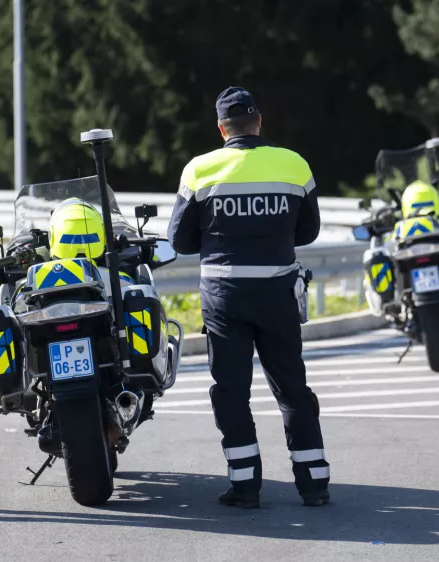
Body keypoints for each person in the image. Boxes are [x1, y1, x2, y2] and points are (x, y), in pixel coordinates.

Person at [167, 86, 330, 508]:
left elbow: (180, 241)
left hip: (224, 298)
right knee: (293, 389)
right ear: (258, 121)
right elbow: (308, 231)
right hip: (277, 291)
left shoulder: (199, 170)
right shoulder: (293, 164)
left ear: (222, 129)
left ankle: (245, 486)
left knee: (231, 392)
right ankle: (314, 485)